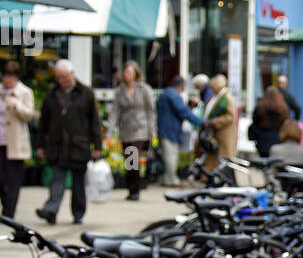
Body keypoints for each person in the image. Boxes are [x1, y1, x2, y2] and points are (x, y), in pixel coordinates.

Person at [36, 59, 103, 225]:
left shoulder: (86, 93)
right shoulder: (51, 94)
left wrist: (98, 145)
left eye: (64, 77)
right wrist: (39, 144)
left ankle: (78, 213)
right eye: (58, 78)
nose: (61, 81)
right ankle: (51, 210)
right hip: (57, 145)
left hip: (78, 145)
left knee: (78, 184)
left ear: (72, 74)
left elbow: (95, 122)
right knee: (56, 180)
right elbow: (43, 122)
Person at [109, 61, 156, 201]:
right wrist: (110, 131)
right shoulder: (120, 91)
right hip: (126, 130)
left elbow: (151, 111)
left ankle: (135, 190)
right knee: (129, 161)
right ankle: (132, 188)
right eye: (125, 72)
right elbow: (115, 112)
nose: (127, 74)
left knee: (133, 158)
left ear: (136, 73)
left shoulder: (144, 89)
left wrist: (152, 129)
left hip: (141, 129)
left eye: (129, 72)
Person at [0, 60, 35, 219]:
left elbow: (29, 115)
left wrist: (16, 106)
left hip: (14, 143)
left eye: (10, 76)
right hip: (0, 141)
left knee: (12, 182)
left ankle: (8, 214)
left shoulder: (25, 92)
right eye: (5, 76)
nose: (7, 80)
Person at [157, 76, 201, 186]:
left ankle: (167, 178)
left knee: (168, 155)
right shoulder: (173, 95)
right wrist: (200, 122)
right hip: (169, 130)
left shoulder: (166, 93)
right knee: (171, 155)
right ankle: (172, 180)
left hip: (166, 129)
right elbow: (183, 111)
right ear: (180, 86)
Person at [199, 73, 237, 173]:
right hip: (214, 133)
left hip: (224, 133)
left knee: (223, 156)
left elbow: (230, 116)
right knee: (213, 155)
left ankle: (223, 176)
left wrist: (214, 122)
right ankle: (210, 175)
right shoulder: (215, 97)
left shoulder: (227, 98)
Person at [250, 85, 289, 157]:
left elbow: (255, 123)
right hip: (278, 139)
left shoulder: (260, 107)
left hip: (263, 140)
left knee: (264, 162)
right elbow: (286, 122)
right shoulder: (283, 108)